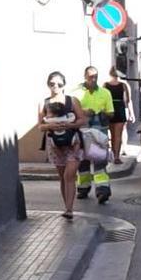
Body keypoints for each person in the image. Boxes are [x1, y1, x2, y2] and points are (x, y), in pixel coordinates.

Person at [38, 71, 87, 219]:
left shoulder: (72, 101)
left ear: (64, 85)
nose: (55, 87)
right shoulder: (44, 103)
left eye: (59, 84)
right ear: (48, 85)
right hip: (54, 144)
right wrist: (51, 127)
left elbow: (81, 120)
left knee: (69, 175)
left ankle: (70, 209)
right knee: (62, 177)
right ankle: (67, 207)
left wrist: (68, 124)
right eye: (52, 84)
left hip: (73, 143)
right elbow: (40, 126)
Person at [75, 66, 114, 203]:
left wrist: (104, 114)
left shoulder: (105, 93)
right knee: (82, 162)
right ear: (85, 76)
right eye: (91, 76)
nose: (94, 79)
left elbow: (111, 113)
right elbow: (72, 111)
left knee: (99, 161)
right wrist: (84, 112)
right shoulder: (77, 93)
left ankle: (103, 191)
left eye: (96, 76)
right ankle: (83, 189)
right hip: (82, 130)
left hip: (99, 132)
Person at [104, 66, 135, 164]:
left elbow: (102, 99)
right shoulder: (124, 85)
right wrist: (131, 113)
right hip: (120, 109)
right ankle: (116, 156)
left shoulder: (105, 85)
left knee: (112, 135)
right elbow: (128, 100)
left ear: (110, 73)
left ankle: (112, 155)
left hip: (109, 109)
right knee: (118, 135)